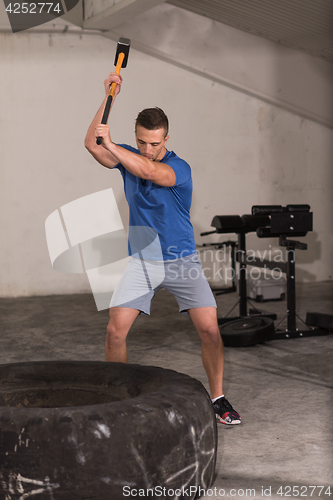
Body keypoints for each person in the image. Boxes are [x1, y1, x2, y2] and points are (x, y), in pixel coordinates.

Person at [85, 72, 241, 425]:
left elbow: (152, 172)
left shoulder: (178, 168)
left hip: (181, 260)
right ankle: (117, 398)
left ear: (166, 139)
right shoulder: (127, 155)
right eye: (141, 142)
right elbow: (92, 144)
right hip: (142, 262)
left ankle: (217, 398)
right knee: (114, 330)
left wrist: (113, 146)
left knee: (211, 331)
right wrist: (107, 97)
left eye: (154, 143)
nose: (147, 149)